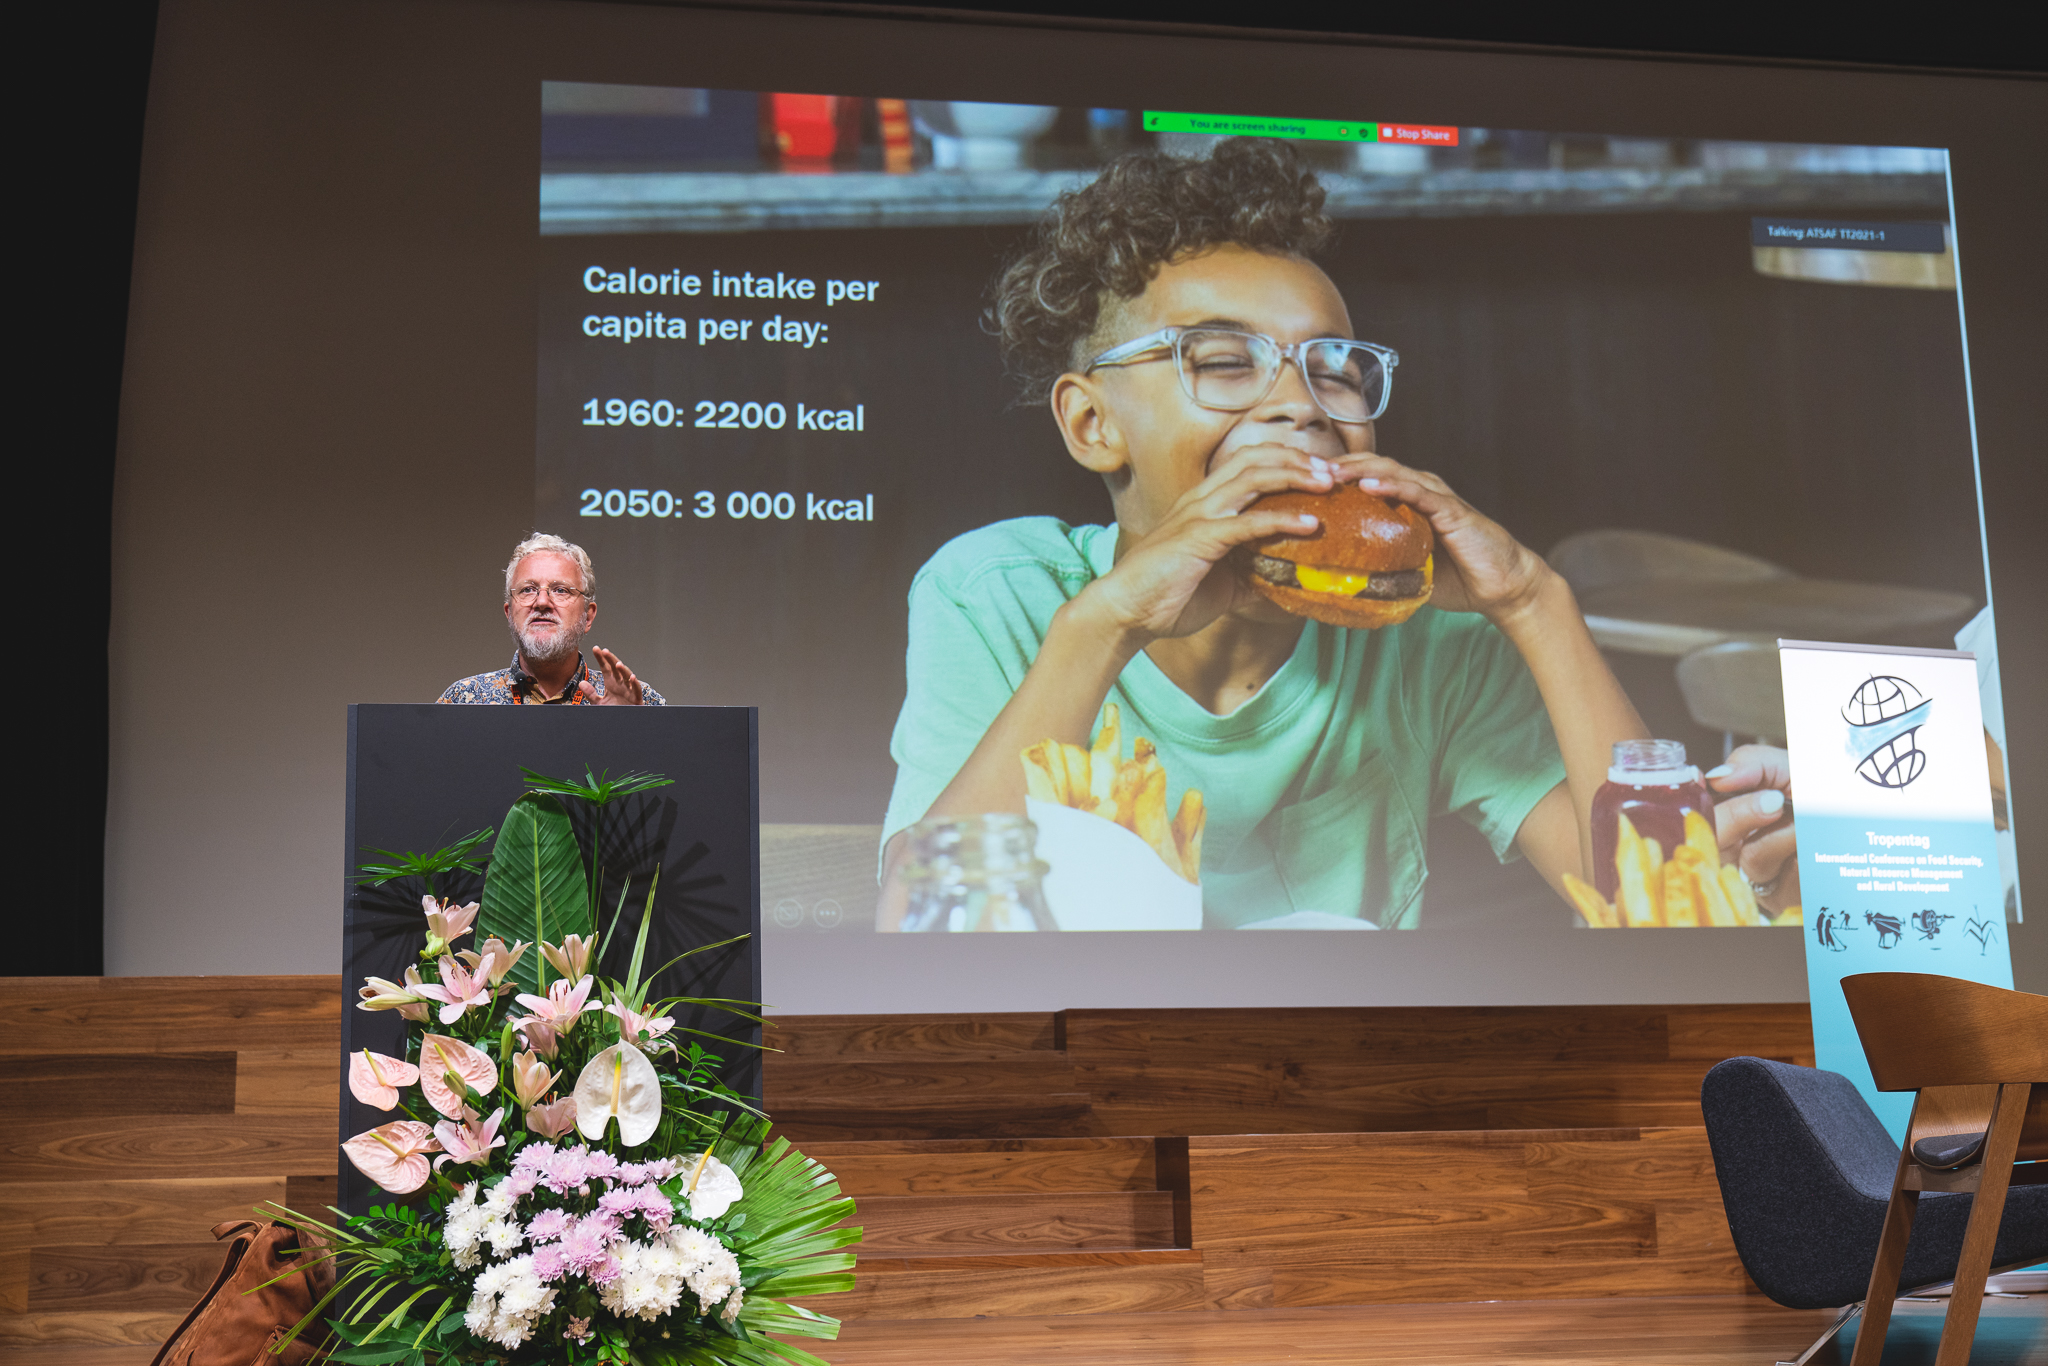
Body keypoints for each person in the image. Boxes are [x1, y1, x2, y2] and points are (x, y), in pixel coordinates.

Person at [878, 140, 1652, 930]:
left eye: (1336, 372)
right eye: (1223, 363)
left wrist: (1533, 601)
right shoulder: (996, 596)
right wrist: (1105, 629)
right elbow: (920, 929)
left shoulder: (1429, 633)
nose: (1302, 404)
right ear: (1091, 423)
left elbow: (1656, 907)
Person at [438, 533, 665, 705]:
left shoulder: (640, 703)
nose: (542, 602)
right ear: (509, 613)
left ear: (588, 616)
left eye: (560, 590)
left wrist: (630, 729)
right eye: (528, 589)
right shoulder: (464, 699)